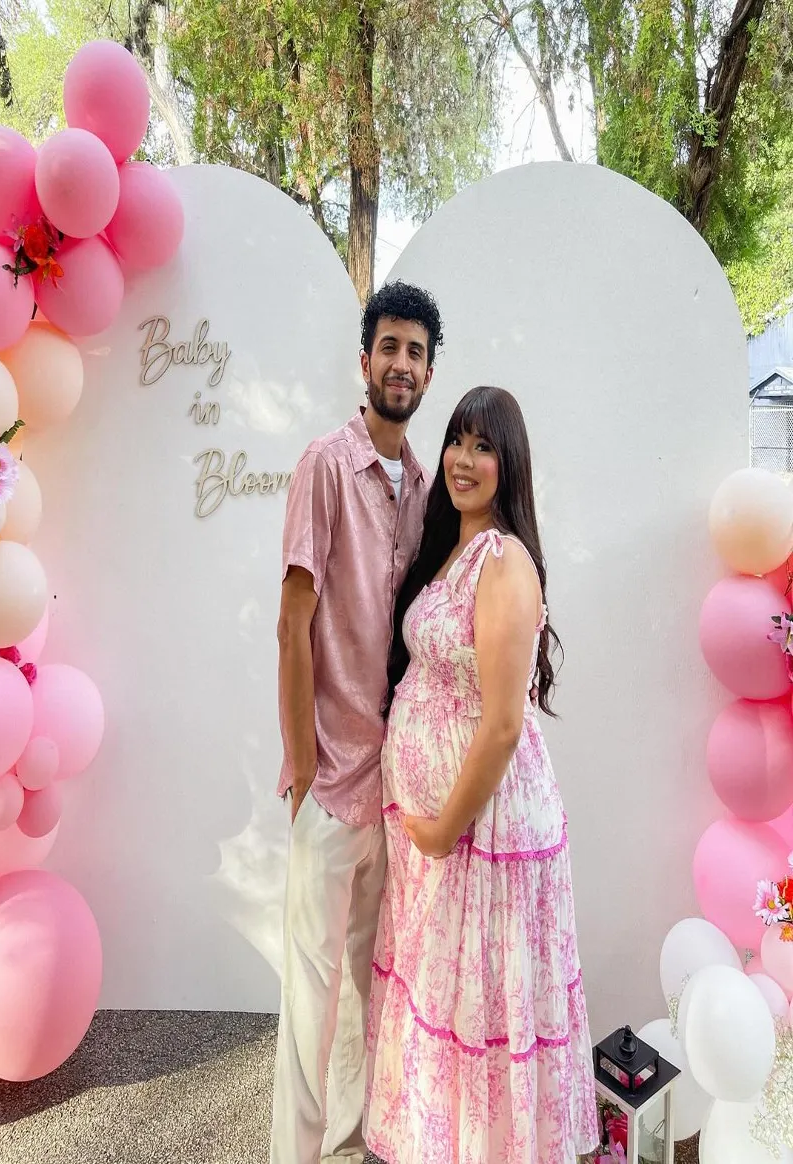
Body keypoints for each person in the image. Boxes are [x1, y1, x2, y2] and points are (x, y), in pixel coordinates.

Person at [365, 385, 599, 1163]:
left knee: (481, 1011)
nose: (464, 460)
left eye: (483, 445)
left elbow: (502, 724)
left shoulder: (503, 563)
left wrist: (441, 828)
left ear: (511, 463)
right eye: (457, 441)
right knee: (451, 1001)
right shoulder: (457, 549)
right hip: (440, 836)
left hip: (479, 832)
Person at [270, 281, 444, 1164]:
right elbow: (292, 622)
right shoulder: (324, 466)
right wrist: (303, 771)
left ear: (427, 370)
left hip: (396, 793)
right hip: (330, 785)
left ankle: (360, 1137)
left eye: (416, 351)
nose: (401, 364)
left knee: (376, 983)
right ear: (364, 359)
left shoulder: (423, 486)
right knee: (310, 999)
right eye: (390, 347)